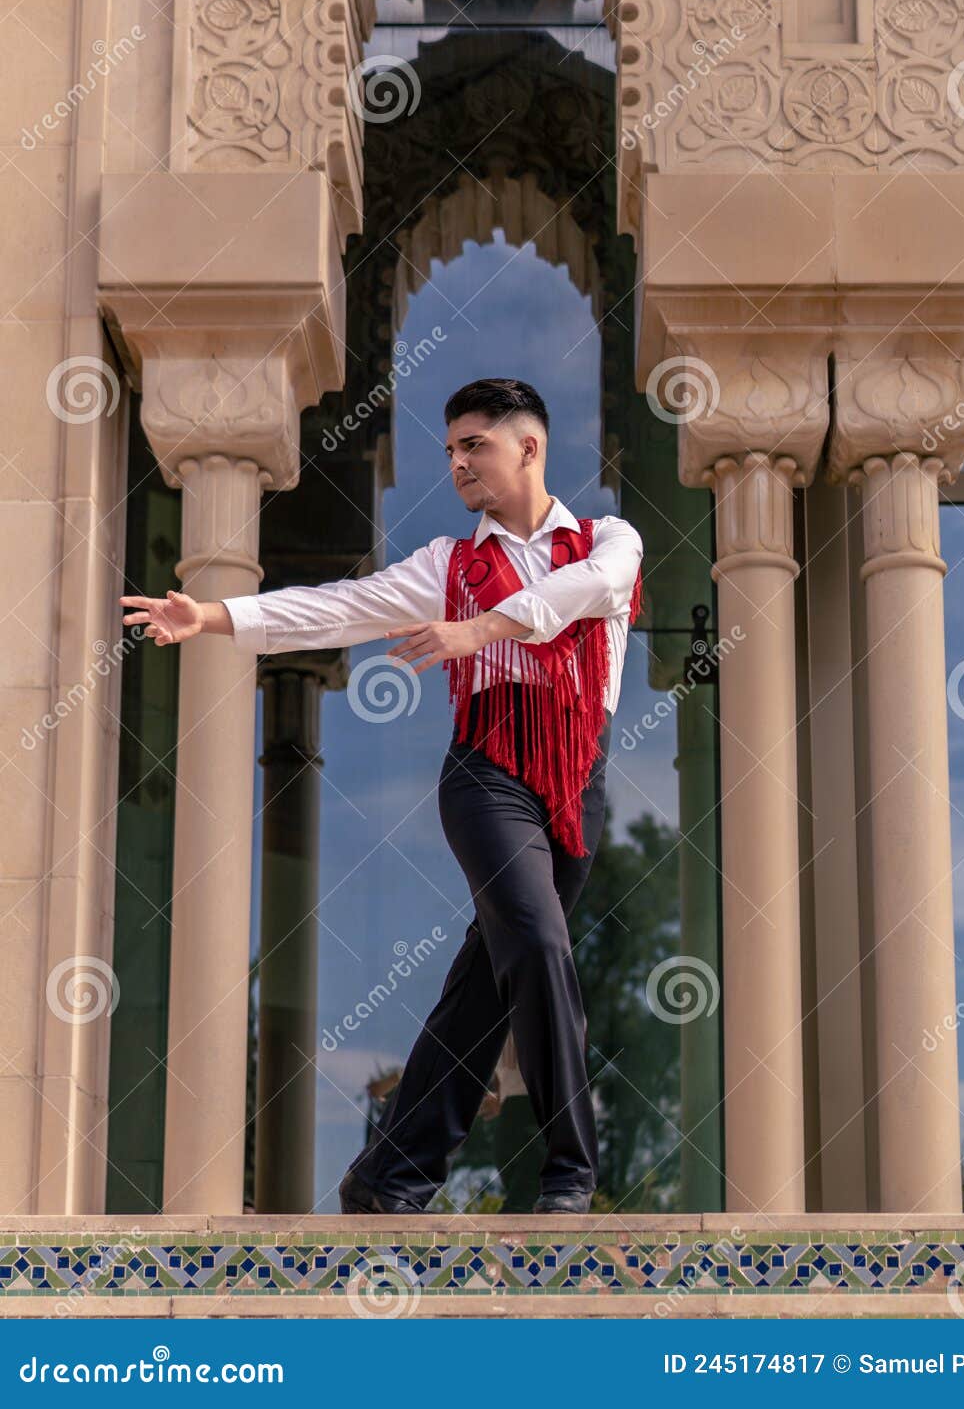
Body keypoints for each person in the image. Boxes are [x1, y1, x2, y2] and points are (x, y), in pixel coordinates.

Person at [119, 377, 644, 1215]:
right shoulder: (447, 565)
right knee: (539, 945)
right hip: (486, 774)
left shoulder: (608, 540)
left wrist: (475, 630)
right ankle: (570, 1171)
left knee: (487, 985)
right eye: (449, 451)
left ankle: (389, 1176)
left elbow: (584, 596)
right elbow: (335, 609)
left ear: (529, 447)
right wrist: (213, 615)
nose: (457, 464)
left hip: (575, 779)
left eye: (473, 445)